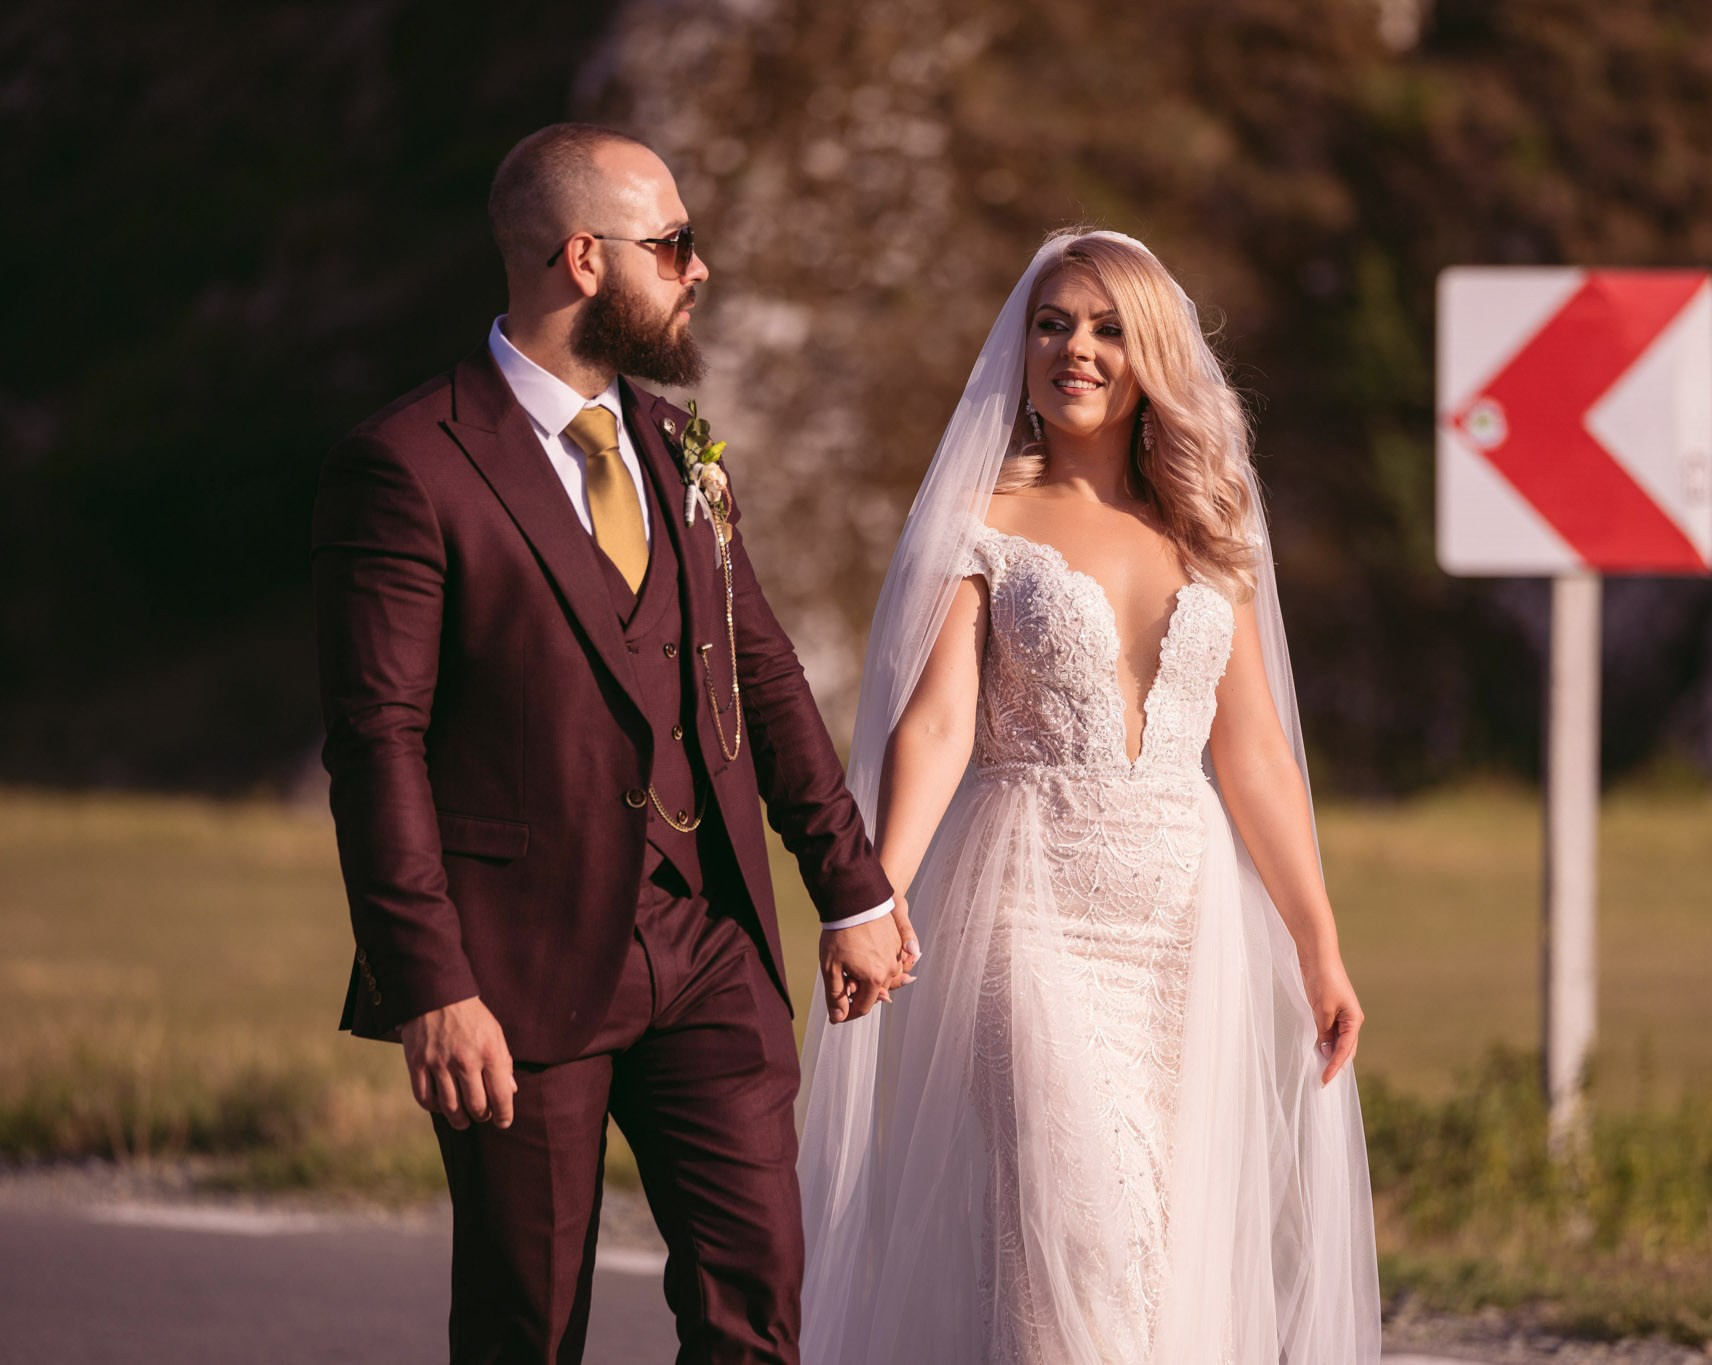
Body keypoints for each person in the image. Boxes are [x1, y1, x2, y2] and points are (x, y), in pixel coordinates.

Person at [312, 121, 911, 1364]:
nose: (697, 270)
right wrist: (431, 984)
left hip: (710, 947)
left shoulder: (676, 449)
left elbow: (762, 673)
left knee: (758, 1308)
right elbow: (379, 744)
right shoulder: (409, 466)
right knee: (526, 1326)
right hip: (516, 968)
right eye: (673, 245)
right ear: (584, 258)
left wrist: (847, 886)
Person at [797, 230, 1381, 1363]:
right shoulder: (983, 518)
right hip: (1027, 905)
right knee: (1071, 1217)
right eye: (1053, 323)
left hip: (1180, 920)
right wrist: (873, 898)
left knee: (1159, 1241)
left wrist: (1318, 947)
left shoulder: (1209, 526)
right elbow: (936, 723)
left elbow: (1253, 751)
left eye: (1108, 328)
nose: (1075, 347)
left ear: (1151, 356)